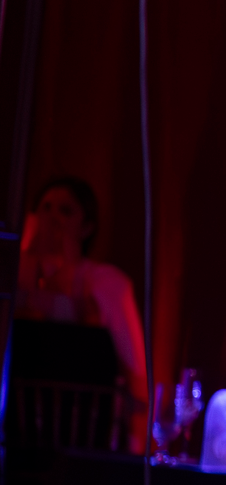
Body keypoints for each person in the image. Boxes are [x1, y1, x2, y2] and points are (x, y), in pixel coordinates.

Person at [15, 175, 149, 446]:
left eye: (65, 211)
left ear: (87, 227)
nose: (53, 219)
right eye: (45, 208)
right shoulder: (14, 279)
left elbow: (134, 376)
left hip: (87, 437)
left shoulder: (108, 284)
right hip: (16, 432)